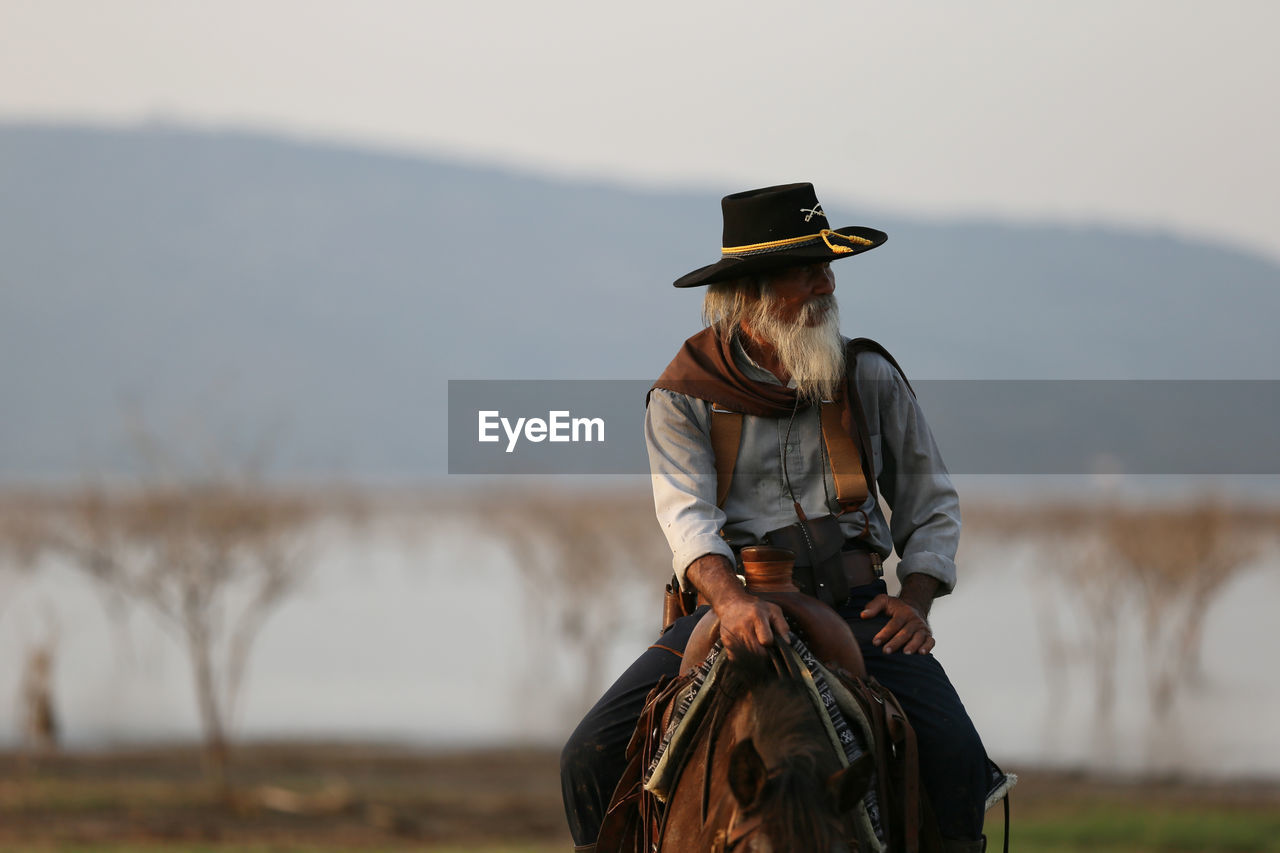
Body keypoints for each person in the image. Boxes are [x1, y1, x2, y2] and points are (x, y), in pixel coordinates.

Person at [561, 183, 997, 853]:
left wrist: (916, 596)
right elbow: (687, 519)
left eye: (827, 269)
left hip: (854, 605)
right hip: (725, 610)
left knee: (958, 759)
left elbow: (930, 502)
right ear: (754, 291)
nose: (826, 285)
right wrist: (731, 602)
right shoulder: (682, 397)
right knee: (587, 757)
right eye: (807, 272)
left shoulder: (867, 376)